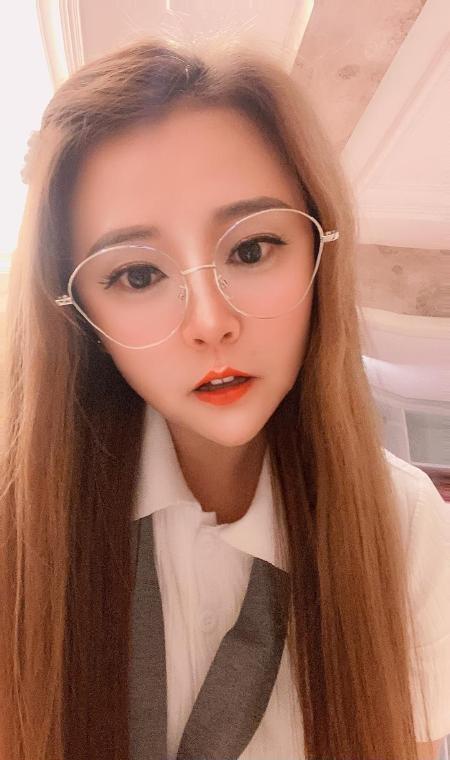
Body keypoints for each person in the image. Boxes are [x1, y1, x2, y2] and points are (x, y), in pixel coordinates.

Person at [0, 36, 448, 760]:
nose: (211, 323)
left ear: (319, 252)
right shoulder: (18, 527)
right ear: (80, 315)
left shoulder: (402, 521)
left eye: (251, 249)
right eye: (138, 276)